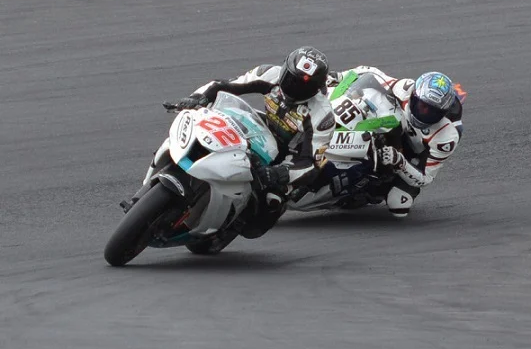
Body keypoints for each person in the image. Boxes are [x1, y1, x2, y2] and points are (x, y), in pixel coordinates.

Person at [165, 46, 335, 238]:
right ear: (284, 68)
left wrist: (279, 173)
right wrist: (197, 98)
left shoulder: (322, 115)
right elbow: (224, 86)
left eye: (303, 86)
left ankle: (228, 222)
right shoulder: (269, 74)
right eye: (290, 79)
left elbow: (311, 162)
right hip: (257, 128)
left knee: (266, 211)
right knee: (198, 128)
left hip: (285, 155)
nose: (293, 87)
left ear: (316, 89)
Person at [322, 66, 464, 217]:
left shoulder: (446, 136)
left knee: (398, 205)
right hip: (395, 128)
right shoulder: (405, 88)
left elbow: (425, 178)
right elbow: (372, 73)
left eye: (432, 112)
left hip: (412, 159)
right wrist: (340, 76)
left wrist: (400, 162)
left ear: (442, 113)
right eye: (422, 106)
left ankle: (369, 189)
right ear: (414, 96)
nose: (425, 113)